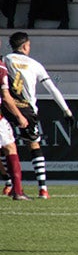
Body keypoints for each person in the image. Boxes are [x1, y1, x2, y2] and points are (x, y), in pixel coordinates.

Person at [1, 32, 72, 200]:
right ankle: (43, 189)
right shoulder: (35, 64)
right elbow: (52, 89)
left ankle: (10, 184)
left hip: (7, 107)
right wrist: (66, 110)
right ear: (25, 46)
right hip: (27, 110)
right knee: (33, 145)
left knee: (6, 145)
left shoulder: (5, 60)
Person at [0, 55, 29, 201]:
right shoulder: (1, 68)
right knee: (10, 148)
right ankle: (17, 190)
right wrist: (19, 116)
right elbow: (5, 96)